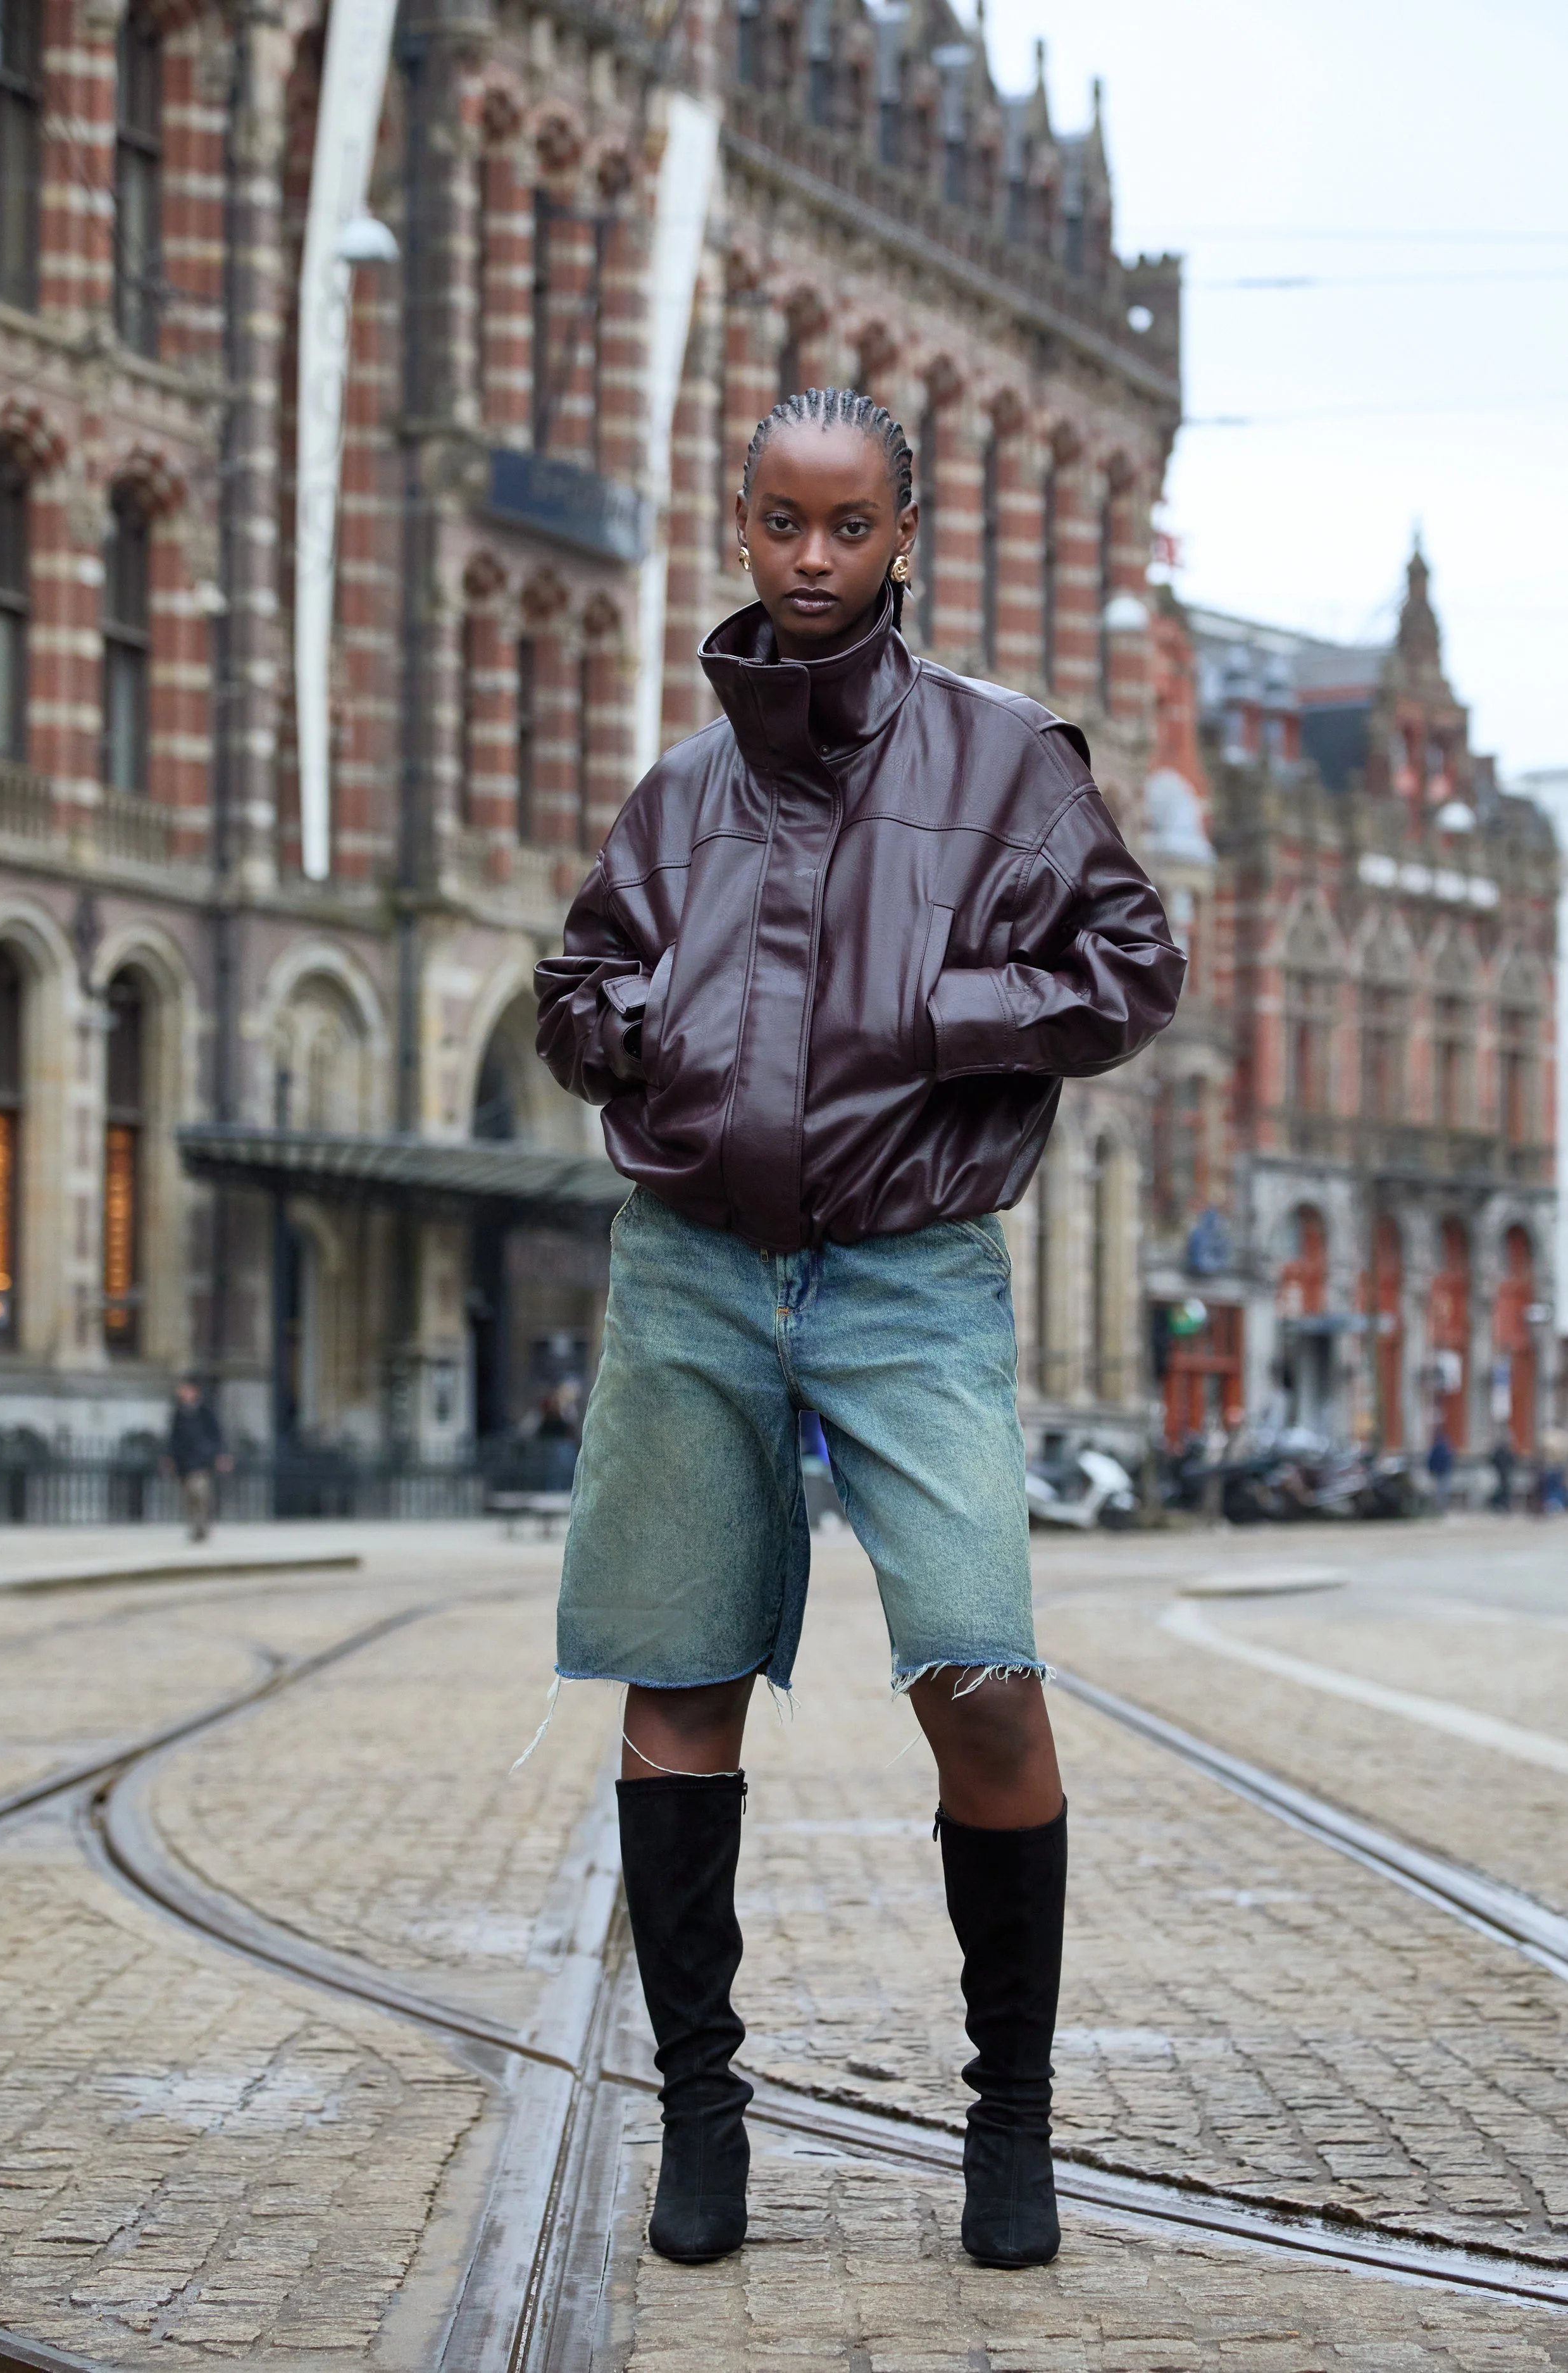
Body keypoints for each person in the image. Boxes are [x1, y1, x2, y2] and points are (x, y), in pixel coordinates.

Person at [534, 387, 1183, 2273]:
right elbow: (578, 978)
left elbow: (1127, 965)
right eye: (775, 523)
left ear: (904, 533)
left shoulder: (1005, 762)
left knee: (978, 1669)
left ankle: (1008, 2122)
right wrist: (636, 1029)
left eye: (845, 527)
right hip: (691, 1265)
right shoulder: (677, 787)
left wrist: (934, 1009)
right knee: (675, 1685)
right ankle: (702, 2115)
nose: (808, 559)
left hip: (907, 1272)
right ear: (737, 531)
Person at [163, 1380, 230, 1541]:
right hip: (184, 1462)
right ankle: (196, 1525)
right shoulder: (178, 1414)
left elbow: (217, 1435)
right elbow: (173, 1438)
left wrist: (218, 1455)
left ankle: (203, 1524)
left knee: (200, 1492)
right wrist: (170, 1457)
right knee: (190, 1497)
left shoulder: (205, 1412)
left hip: (201, 1461)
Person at [1426, 1425, 1455, 1514]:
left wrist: (1431, 1469)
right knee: (1443, 1490)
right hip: (1444, 1471)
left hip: (1439, 1472)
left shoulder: (1437, 1447)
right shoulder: (1446, 1447)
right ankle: (1442, 1507)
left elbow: (1431, 1459)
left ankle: (1440, 1507)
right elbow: (1450, 1458)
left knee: (1439, 1491)